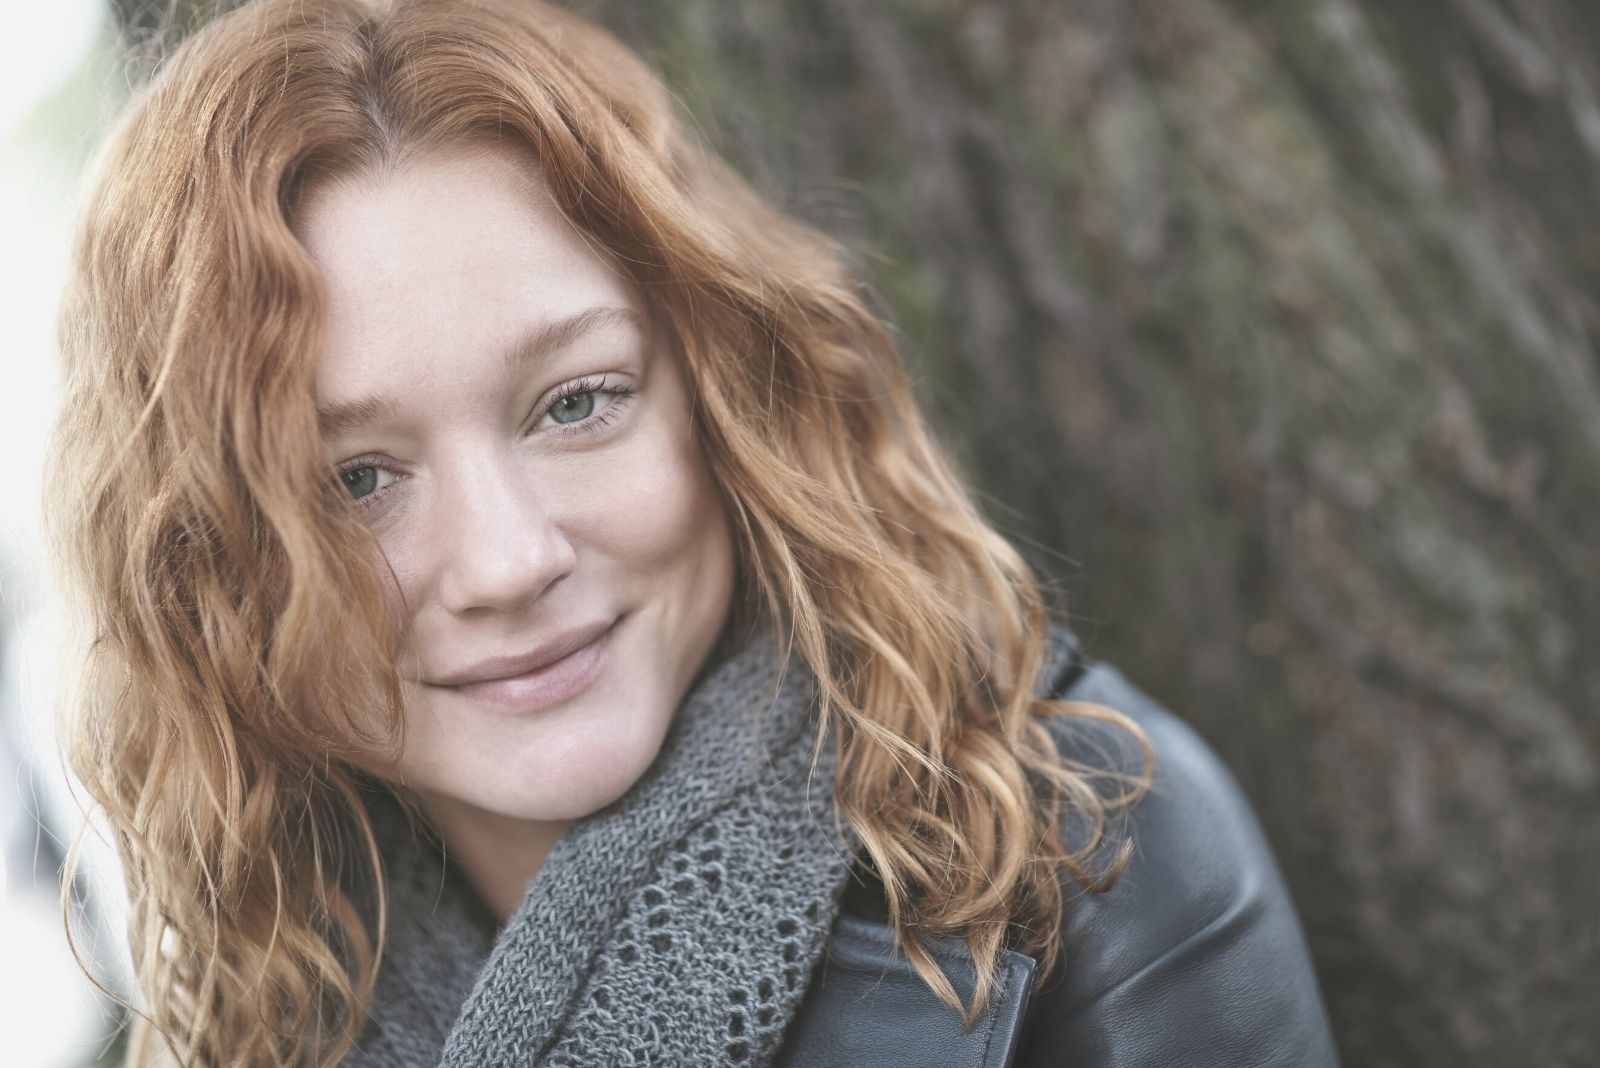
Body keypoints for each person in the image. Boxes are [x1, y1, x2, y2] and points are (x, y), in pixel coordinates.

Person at [46, 0, 1341, 1064]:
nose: (509, 562)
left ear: (724, 393)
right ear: (207, 565)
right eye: (354, 483)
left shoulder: (1089, 860)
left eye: (577, 404)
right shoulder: (240, 1013)